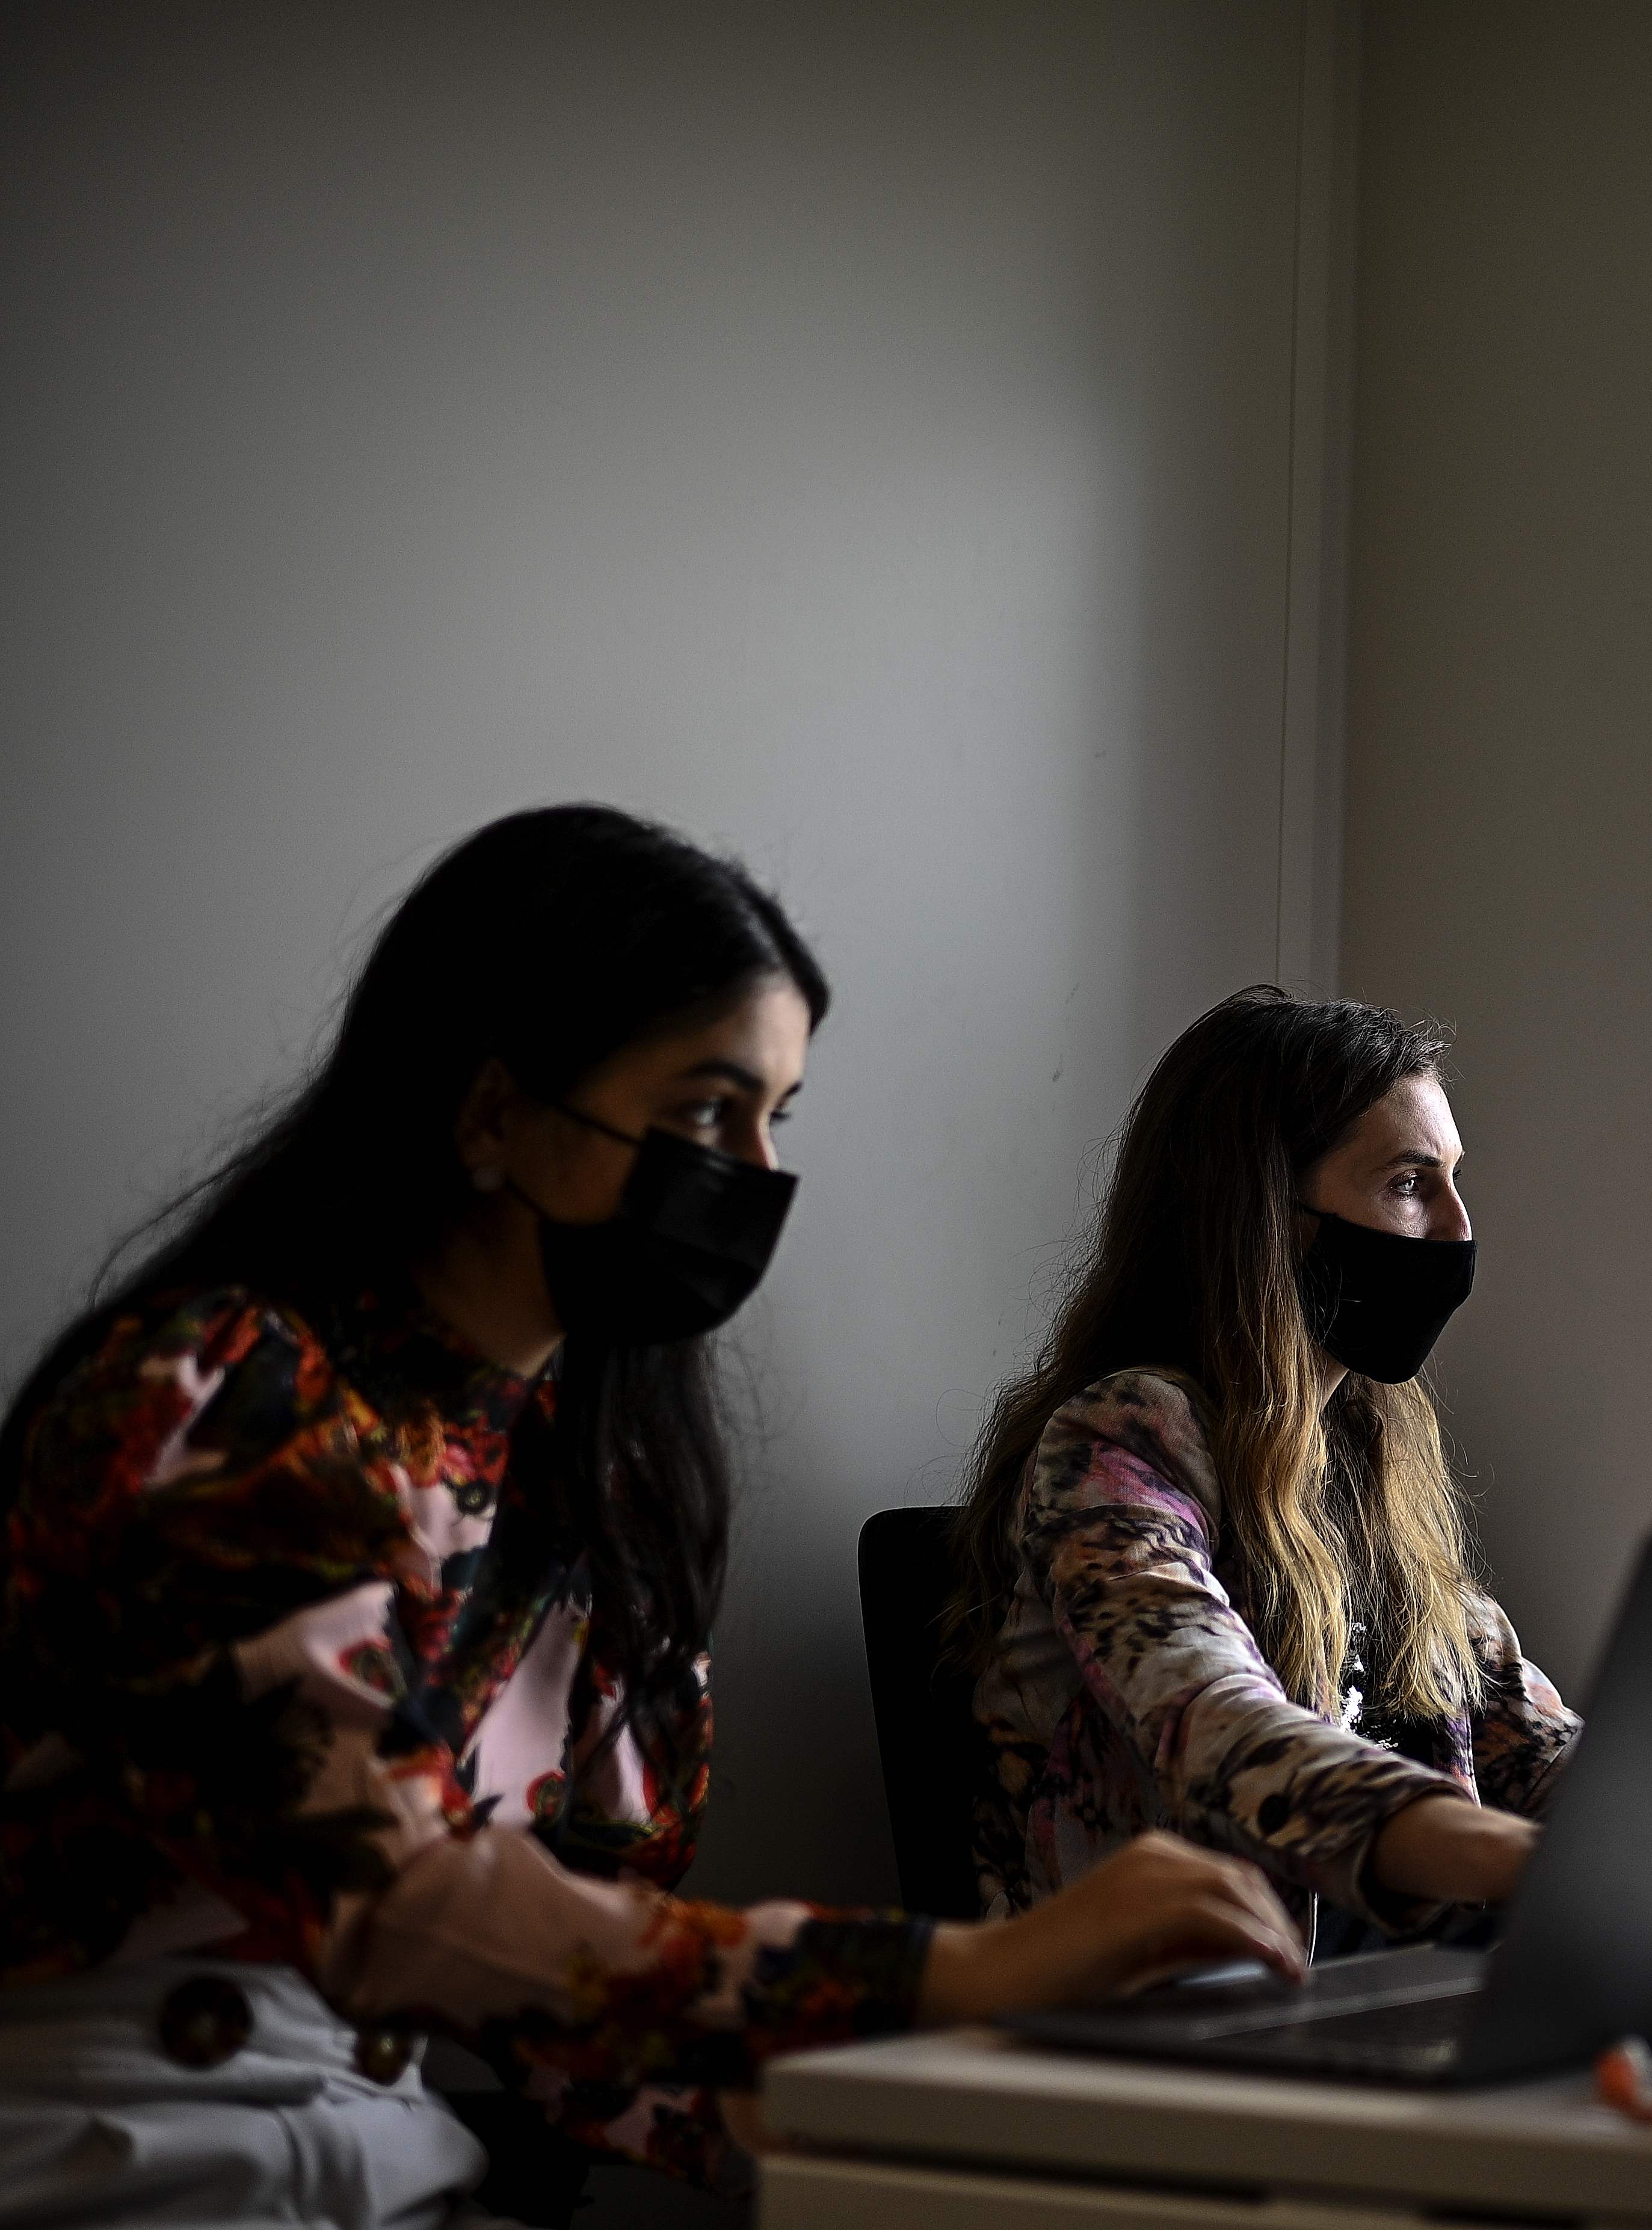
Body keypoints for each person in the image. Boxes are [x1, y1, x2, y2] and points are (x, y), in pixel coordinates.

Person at [0, 807, 1300, 2229]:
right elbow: (398, 1898)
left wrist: (1001, 2094)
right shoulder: (217, 1400)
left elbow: (588, 2012)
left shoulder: (595, 1493)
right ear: (494, 1111)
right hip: (113, 2155)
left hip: (386, 2162)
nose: (752, 1169)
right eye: (701, 1110)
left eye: (773, 1118)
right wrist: (957, 1972)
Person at [948, 990, 1579, 1952]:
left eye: (1454, 1180)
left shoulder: (1364, 1454)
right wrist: (1512, 1858)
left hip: (1407, 2014)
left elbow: (1517, 1733)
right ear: (1264, 1216)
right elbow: (1221, 1731)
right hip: (1177, 2035)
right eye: (1412, 1183)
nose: (1458, 1232)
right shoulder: (1120, 1445)